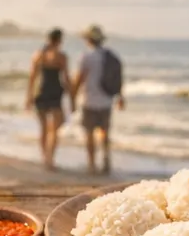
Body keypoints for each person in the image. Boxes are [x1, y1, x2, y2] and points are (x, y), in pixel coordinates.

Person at [71, 24, 124, 175]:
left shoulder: (86, 56)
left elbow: (79, 79)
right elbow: (118, 77)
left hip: (89, 101)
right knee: (105, 133)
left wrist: (73, 97)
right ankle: (106, 161)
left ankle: (92, 164)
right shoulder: (110, 56)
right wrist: (120, 96)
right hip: (106, 101)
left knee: (89, 134)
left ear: (88, 39)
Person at [25, 29, 69, 170]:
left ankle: (45, 158)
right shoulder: (61, 56)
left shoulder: (38, 55)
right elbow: (66, 78)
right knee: (55, 128)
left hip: (41, 92)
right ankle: (51, 159)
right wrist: (72, 96)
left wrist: (29, 96)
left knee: (43, 128)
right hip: (55, 93)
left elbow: (32, 77)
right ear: (60, 40)